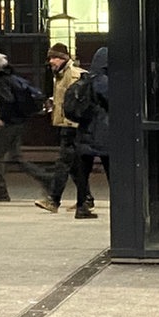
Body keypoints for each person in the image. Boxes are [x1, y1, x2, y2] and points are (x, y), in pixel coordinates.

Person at [0, 52, 46, 202]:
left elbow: (8, 100)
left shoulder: (1, 81)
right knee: (16, 157)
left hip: (8, 123)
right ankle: (45, 178)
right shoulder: (14, 78)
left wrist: (2, 119)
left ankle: (1, 191)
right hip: (19, 122)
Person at [36, 44, 87, 215]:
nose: (51, 61)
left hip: (71, 125)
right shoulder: (60, 75)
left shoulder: (73, 75)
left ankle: (53, 200)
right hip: (65, 124)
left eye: (54, 58)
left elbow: (75, 101)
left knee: (63, 163)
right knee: (74, 165)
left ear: (64, 58)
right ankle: (86, 198)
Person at [65, 47, 113, 220]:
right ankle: (120, 207)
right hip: (102, 132)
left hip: (85, 132)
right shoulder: (103, 81)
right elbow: (113, 101)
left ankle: (81, 206)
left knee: (83, 173)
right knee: (112, 171)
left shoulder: (85, 79)